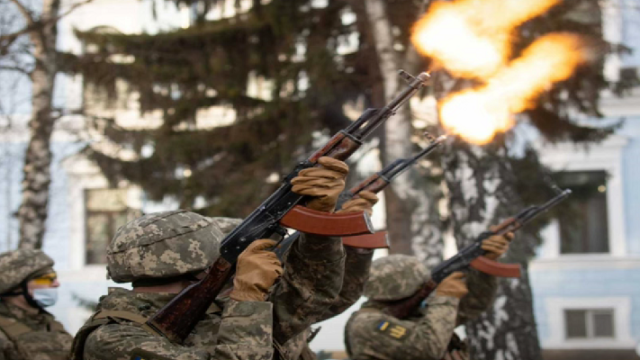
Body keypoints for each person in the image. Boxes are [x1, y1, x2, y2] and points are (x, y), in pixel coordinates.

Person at [71, 156, 353, 360]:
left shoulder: (214, 310)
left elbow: (312, 295)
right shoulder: (112, 340)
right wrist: (246, 298)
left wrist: (319, 222)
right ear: (199, 265)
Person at [344, 231, 514, 360]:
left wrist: (485, 266)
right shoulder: (367, 324)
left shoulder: (414, 313)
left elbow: (473, 304)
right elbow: (428, 348)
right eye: (422, 286)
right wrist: (446, 297)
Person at [0, 249, 73, 360]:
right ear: (17, 286)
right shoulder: (4, 332)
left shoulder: (49, 324)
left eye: (54, 277)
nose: (56, 284)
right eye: (46, 279)